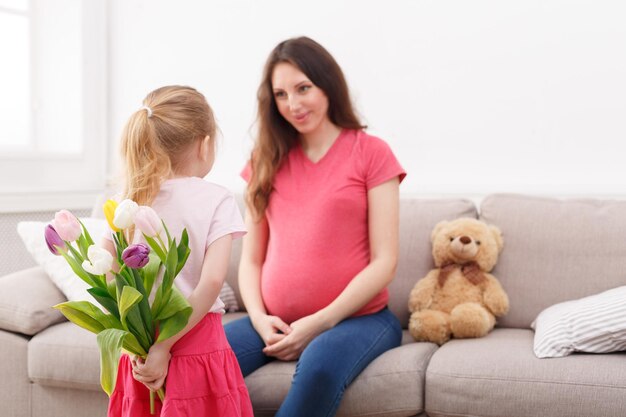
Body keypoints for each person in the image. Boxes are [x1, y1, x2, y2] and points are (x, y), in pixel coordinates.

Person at [224, 37, 406, 416]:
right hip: (272, 321)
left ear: (328, 85)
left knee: (319, 368)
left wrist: (320, 322)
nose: (293, 104)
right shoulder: (264, 159)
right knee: (200, 358)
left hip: (360, 320)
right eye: (281, 94)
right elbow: (251, 261)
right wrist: (258, 318)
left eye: (303, 88)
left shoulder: (372, 153)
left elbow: (384, 262)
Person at [104, 86, 253, 417]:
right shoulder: (217, 198)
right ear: (205, 143)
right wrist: (165, 347)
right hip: (198, 344)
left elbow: (109, 273)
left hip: (140, 347)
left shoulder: (128, 200)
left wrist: (148, 345)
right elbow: (213, 281)